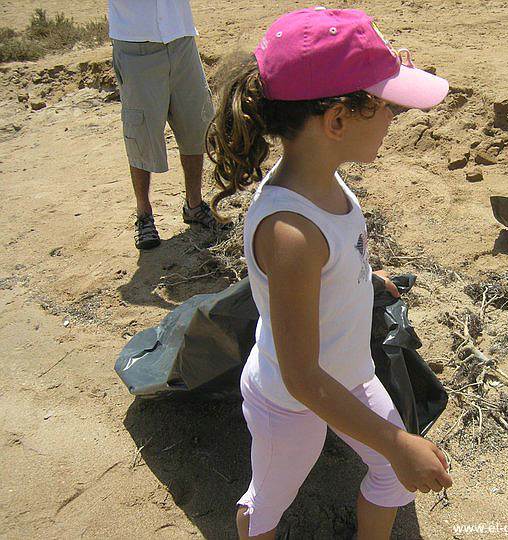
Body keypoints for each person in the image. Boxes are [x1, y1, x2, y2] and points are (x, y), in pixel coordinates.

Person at [205, 8, 452, 539]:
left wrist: (363, 279)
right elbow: (301, 375)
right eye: (386, 106)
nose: (393, 118)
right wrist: (396, 442)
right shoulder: (290, 232)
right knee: (269, 502)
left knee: (392, 477)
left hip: (349, 372)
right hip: (289, 401)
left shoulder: (320, 175)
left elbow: (336, 258)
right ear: (337, 121)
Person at [108, 0, 224, 250]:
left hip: (181, 37)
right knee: (142, 132)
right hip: (135, 42)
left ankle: (194, 205)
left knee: (196, 124)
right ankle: (144, 215)